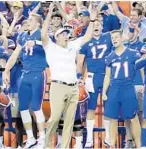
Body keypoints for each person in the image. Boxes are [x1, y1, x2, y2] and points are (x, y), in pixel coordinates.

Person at [41, 2, 96, 148]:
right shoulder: (50, 47)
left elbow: (88, 37)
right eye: (63, 34)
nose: (66, 35)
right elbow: (43, 34)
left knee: (69, 120)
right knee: (55, 118)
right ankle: (46, 144)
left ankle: (65, 146)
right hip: (58, 86)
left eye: (67, 33)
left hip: (73, 87)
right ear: (57, 37)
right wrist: (49, 14)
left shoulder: (72, 46)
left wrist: (92, 21)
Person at [4, 13, 47, 148]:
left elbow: (49, 44)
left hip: (38, 72)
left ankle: (42, 139)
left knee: (36, 107)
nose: (28, 22)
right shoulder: (22, 35)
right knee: (23, 108)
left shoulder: (42, 33)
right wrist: (6, 70)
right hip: (25, 73)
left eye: (31, 20)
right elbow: (16, 53)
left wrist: (36, 42)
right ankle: (30, 138)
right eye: (28, 19)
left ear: (38, 23)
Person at [77, 19, 113, 148]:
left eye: (99, 24)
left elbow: (124, 38)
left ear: (102, 27)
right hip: (92, 77)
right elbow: (80, 62)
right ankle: (89, 139)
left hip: (107, 76)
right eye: (94, 24)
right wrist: (79, 76)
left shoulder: (108, 37)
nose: (96, 26)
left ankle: (108, 137)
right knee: (91, 108)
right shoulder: (85, 42)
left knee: (108, 108)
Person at [102, 30, 141, 148]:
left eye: (116, 37)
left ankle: (140, 145)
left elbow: (141, 69)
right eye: (112, 38)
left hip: (128, 88)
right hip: (114, 89)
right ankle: (112, 145)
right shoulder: (110, 56)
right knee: (113, 119)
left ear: (121, 38)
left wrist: (142, 84)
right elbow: (107, 75)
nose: (114, 39)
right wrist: (104, 91)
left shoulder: (133, 53)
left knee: (133, 118)